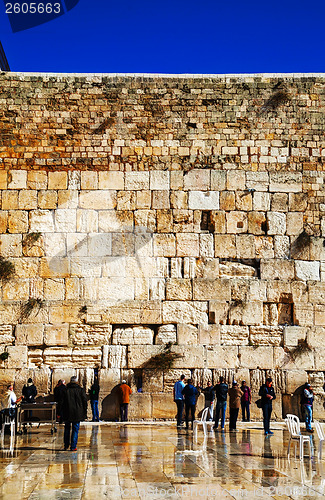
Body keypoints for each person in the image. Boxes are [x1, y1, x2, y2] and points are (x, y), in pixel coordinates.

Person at [62, 376, 87, 451]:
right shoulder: (80, 390)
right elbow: (84, 401)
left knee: (67, 429)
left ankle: (66, 445)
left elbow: (62, 402)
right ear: (77, 382)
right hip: (77, 413)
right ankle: (73, 446)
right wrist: (84, 411)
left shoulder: (66, 390)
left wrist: (61, 412)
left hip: (67, 412)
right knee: (75, 429)